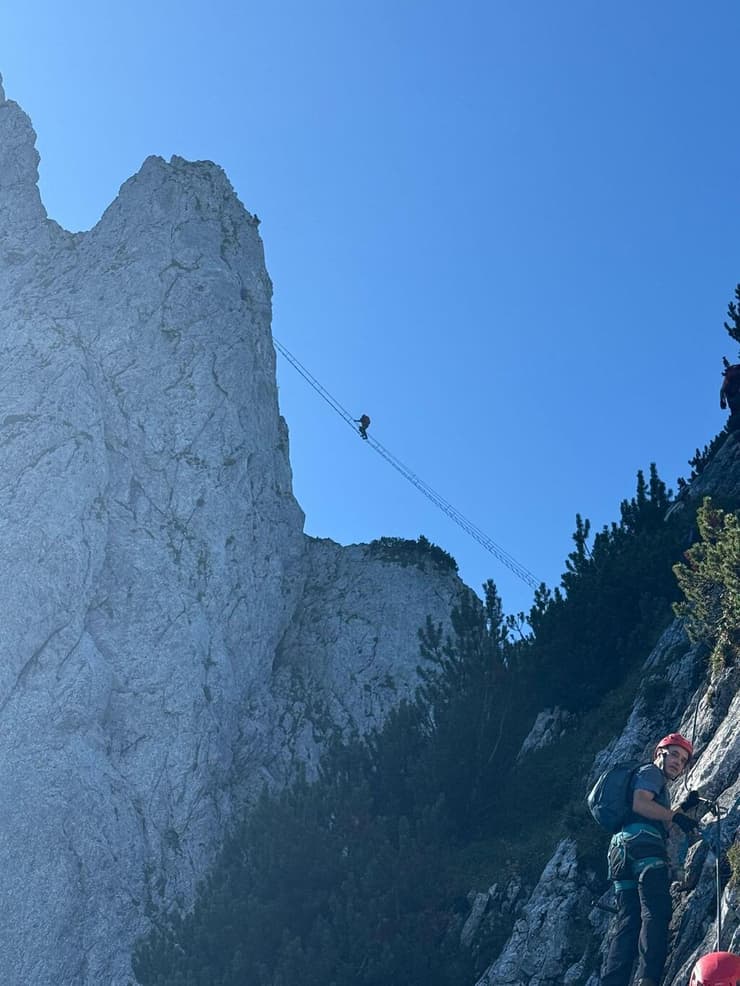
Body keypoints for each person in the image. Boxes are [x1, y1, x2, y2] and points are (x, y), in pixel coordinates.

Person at [602, 733, 700, 986]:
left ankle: (613, 981)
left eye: (683, 760)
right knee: (655, 912)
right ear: (659, 753)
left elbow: (659, 819)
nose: (678, 762)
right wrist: (675, 816)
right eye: (674, 754)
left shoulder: (650, 781)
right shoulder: (651, 773)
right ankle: (647, 979)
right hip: (644, 845)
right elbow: (640, 804)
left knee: (629, 920)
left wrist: (682, 809)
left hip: (620, 851)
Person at [720, 360, 740, 432]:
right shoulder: (730, 374)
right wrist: (722, 400)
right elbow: (722, 390)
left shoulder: (733, 371)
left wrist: (722, 400)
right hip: (733, 396)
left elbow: (722, 390)